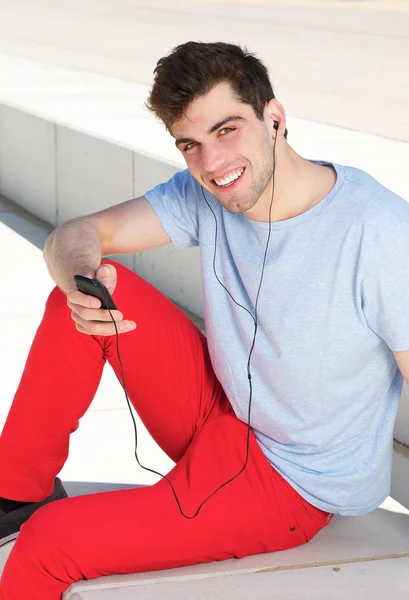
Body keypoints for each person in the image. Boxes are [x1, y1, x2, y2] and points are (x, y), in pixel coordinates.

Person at [1, 40, 409, 599]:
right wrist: (77, 278)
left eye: (227, 130)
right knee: (83, 297)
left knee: (49, 544)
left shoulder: (378, 231)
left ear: (275, 118)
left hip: (289, 483)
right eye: (190, 144)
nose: (212, 164)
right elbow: (75, 236)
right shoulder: (208, 194)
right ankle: (16, 489)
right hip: (218, 412)